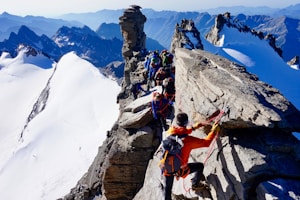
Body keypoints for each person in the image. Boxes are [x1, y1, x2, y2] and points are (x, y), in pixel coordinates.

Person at [162, 112, 220, 200]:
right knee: (200, 166)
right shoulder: (188, 141)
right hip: (181, 170)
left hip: (167, 166)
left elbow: (181, 132)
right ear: (186, 123)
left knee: (167, 190)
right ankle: (195, 184)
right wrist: (213, 131)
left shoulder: (170, 132)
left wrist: (194, 128)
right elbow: (206, 143)